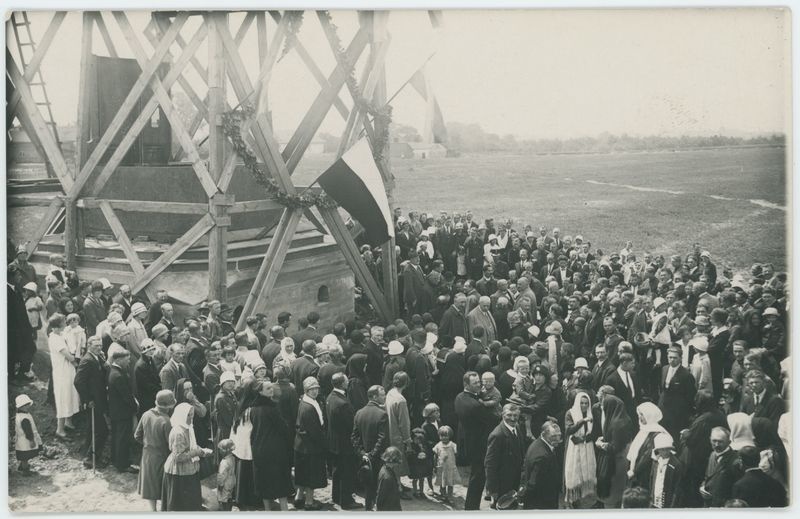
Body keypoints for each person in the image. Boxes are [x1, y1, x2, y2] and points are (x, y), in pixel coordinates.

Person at [454, 371, 496, 510]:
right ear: (466, 384)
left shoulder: (459, 397)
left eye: (479, 381)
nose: (479, 385)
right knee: (478, 478)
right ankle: (472, 508)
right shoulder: (476, 406)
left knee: (475, 475)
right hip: (478, 445)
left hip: (467, 440)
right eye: (475, 383)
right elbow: (490, 421)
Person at [161, 402, 213, 511]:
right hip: (179, 472)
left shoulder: (188, 427)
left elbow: (191, 445)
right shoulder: (178, 432)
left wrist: (202, 450)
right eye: (188, 415)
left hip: (190, 468)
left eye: (192, 415)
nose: (191, 418)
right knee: (180, 504)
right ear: (181, 415)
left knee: (190, 501)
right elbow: (178, 457)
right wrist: (197, 452)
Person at [250, 380, 294, 511]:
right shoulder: (271, 408)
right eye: (268, 388)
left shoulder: (253, 409)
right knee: (280, 482)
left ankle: (268, 511)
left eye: (271, 388)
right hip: (275, 451)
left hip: (259, 449)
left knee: (264, 482)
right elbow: (283, 429)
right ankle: (284, 510)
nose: (271, 390)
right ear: (260, 392)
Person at [134, 389, 176, 511]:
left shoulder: (146, 414)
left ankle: (153, 511)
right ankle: (164, 509)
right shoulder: (166, 421)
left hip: (147, 455)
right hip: (161, 456)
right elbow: (171, 444)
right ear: (168, 405)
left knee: (150, 484)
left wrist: (147, 444)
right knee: (162, 484)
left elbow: (137, 435)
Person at [352, 385, 389, 511]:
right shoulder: (382, 414)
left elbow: (354, 437)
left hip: (364, 459)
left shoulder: (359, 413)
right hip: (377, 459)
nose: (384, 397)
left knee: (368, 488)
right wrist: (372, 454)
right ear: (374, 396)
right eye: (382, 395)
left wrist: (363, 453)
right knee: (379, 488)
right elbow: (382, 439)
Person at [74, 335, 109, 469]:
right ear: (89, 346)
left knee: (93, 429)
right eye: (96, 346)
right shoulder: (87, 361)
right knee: (102, 431)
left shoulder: (97, 357)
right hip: (93, 402)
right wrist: (88, 399)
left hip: (99, 399)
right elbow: (78, 381)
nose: (99, 348)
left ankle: (87, 453)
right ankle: (90, 458)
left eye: (100, 346)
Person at [326, 373, 361, 509]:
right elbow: (350, 425)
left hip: (333, 442)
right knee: (346, 472)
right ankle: (346, 500)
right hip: (344, 443)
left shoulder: (330, 397)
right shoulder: (343, 403)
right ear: (342, 384)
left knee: (337, 471)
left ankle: (336, 496)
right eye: (346, 381)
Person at [596, 394, 635, 508]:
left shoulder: (617, 424)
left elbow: (614, 448)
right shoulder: (624, 419)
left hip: (617, 460)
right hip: (623, 457)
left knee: (613, 490)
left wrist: (601, 444)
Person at [294, 377, 328, 510]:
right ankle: (309, 502)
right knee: (310, 475)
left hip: (301, 445)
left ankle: (299, 497)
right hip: (310, 447)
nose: (315, 391)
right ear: (306, 390)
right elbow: (315, 432)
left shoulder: (305, 401)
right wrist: (324, 444)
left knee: (302, 473)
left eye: (316, 389)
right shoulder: (309, 407)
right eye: (311, 389)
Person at [484, 403, 524, 507]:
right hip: (501, 485)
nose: (513, 418)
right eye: (509, 415)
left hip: (514, 481)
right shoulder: (497, 435)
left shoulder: (517, 428)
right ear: (503, 415)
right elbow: (490, 464)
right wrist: (492, 490)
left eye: (515, 415)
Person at [106, 344, 139, 473]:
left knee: (117, 437)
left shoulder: (114, 371)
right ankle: (123, 464)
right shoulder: (118, 375)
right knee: (122, 439)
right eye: (127, 359)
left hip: (116, 412)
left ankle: (116, 460)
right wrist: (135, 406)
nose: (129, 361)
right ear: (119, 360)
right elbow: (126, 396)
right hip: (122, 413)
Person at [47, 313, 80, 438]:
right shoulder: (54, 338)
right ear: (57, 325)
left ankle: (68, 422)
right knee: (63, 397)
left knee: (70, 394)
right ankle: (59, 429)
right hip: (62, 372)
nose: (65, 323)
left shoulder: (61, 334)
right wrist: (76, 362)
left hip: (68, 370)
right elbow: (68, 355)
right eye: (63, 322)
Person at [519, 421, 563, 509]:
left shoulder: (537, 444)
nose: (558, 439)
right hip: (542, 502)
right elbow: (533, 483)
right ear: (543, 434)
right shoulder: (543, 457)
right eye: (553, 436)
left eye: (559, 435)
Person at [563, 391, 597, 507]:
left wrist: (586, 438)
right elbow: (568, 430)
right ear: (577, 403)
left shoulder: (590, 413)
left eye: (586, 403)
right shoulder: (570, 413)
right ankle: (573, 498)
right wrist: (582, 421)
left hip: (587, 445)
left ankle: (583, 493)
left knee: (586, 468)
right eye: (581, 403)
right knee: (574, 469)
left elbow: (594, 432)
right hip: (574, 446)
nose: (584, 406)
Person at [626, 402, 669, 489]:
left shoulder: (656, 433)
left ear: (650, 416)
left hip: (646, 472)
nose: (639, 417)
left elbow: (647, 456)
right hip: (637, 471)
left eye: (642, 414)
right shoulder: (644, 429)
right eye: (639, 414)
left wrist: (634, 471)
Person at [658, 345, 696, 439]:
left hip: (677, 413)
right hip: (663, 409)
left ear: (680, 358)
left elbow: (690, 397)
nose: (672, 360)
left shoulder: (686, 375)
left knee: (674, 436)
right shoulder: (664, 369)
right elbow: (662, 388)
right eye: (670, 357)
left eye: (675, 358)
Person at [385, 371, 412, 498]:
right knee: (397, 463)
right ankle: (398, 488)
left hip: (389, 431)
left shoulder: (390, 393)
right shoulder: (401, 400)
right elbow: (404, 423)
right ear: (406, 383)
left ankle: (398, 483)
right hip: (398, 435)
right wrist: (408, 440)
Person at [701, 426, 742, 507]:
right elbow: (708, 477)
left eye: (720, 442)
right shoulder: (712, 455)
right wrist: (702, 487)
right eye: (714, 441)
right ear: (710, 439)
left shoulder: (735, 460)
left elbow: (737, 488)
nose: (716, 445)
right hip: (709, 505)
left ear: (729, 442)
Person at [649, 432, 685, 508]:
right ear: (657, 450)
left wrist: (672, 506)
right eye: (662, 449)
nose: (665, 452)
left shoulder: (675, 464)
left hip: (668, 502)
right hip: (655, 499)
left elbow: (677, 488)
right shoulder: (656, 462)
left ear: (670, 449)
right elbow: (652, 480)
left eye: (667, 449)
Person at [14, 394, 42, 475]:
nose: (27, 406)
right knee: (25, 456)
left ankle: (22, 466)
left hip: (21, 440)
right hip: (26, 440)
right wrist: (31, 440)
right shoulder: (24, 418)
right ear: (21, 407)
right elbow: (28, 431)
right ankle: (25, 470)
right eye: (25, 405)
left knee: (24, 455)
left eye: (27, 405)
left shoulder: (20, 415)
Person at [433, 425, 460, 502]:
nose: (444, 438)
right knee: (442, 481)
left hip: (450, 467)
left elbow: (456, 454)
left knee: (450, 482)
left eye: (446, 436)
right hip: (441, 467)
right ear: (439, 436)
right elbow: (435, 456)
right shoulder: (438, 445)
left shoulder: (452, 445)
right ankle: (443, 494)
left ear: (449, 436)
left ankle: (450, 496)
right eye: (442, 436)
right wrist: (435, 466)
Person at [376, 446, 404, 511]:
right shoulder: (387, 477)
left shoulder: (385, 468)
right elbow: (381, 494)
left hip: (391, 504)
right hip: (389, 507)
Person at [408, 427, 433, 497]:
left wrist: (425, 455)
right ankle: (415, 492)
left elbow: (429, 453)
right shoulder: (412, 446)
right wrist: (416, 455)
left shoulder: (425, 445)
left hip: (422, 465)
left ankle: (421, 492)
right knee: (415, 479)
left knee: (422, 479)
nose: (418, 441)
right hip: (415, 465)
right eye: (416, 439)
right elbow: (409, 456)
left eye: (420, 439)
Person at [216, 439, 237, 511]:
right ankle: (229, 509)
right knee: (229, 497)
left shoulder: (224, 462)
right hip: (232, 481)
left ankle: (225, 511)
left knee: (223, 499)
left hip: (225, 483)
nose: (219, 451)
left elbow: (221, 475)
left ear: (225, 450)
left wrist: (220, 485)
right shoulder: (232, 458)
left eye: (220, 449)